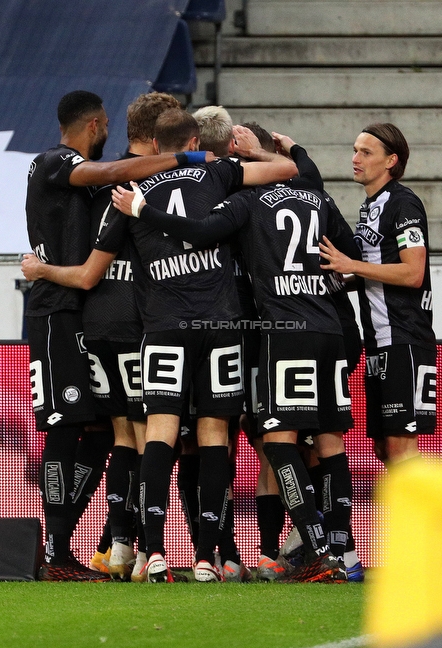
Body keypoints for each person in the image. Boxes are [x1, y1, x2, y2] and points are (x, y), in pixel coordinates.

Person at [24, 108, 297, 583]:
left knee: (141, 435)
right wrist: (239, 154)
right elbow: (287, 172)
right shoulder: (215, 173)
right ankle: (212, 555)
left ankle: (137, 550)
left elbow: (91, 271)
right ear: (189, 140)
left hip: (140, 327)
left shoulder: (124, 193)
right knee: (209, 436)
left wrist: (41, 269)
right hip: (210, 323)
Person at [112, 125, 360, 582]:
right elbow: (353, 258)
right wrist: (283, 147)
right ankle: (336, 553)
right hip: (328, 328)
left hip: (272, 331)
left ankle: (159, 551)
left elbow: (203, 231)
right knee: (326, 443)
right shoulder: (316, 197)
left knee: (270, 443)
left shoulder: (244, 201)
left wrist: (143, 208)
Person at [24, 90, 211, 581]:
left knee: (103, 431)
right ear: (96, 123)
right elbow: (108, 176)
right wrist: (192, 156)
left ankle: (105, 541)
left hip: (87, 317)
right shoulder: (56, 162)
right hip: (63, 312)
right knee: (73, 427)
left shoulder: (104, 184)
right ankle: (62, 549)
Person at [319, 123, 437, 466]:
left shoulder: (404, 205)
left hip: (404, 337)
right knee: (385, 449)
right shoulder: (370, 207)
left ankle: (425, 519)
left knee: (401, 449)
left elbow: (413, 273)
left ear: (391, 161)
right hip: (378, 342)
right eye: (355, 150)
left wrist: (351, 263)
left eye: (366, 152)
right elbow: (379, 271)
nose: (355, 159)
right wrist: (341, 280)